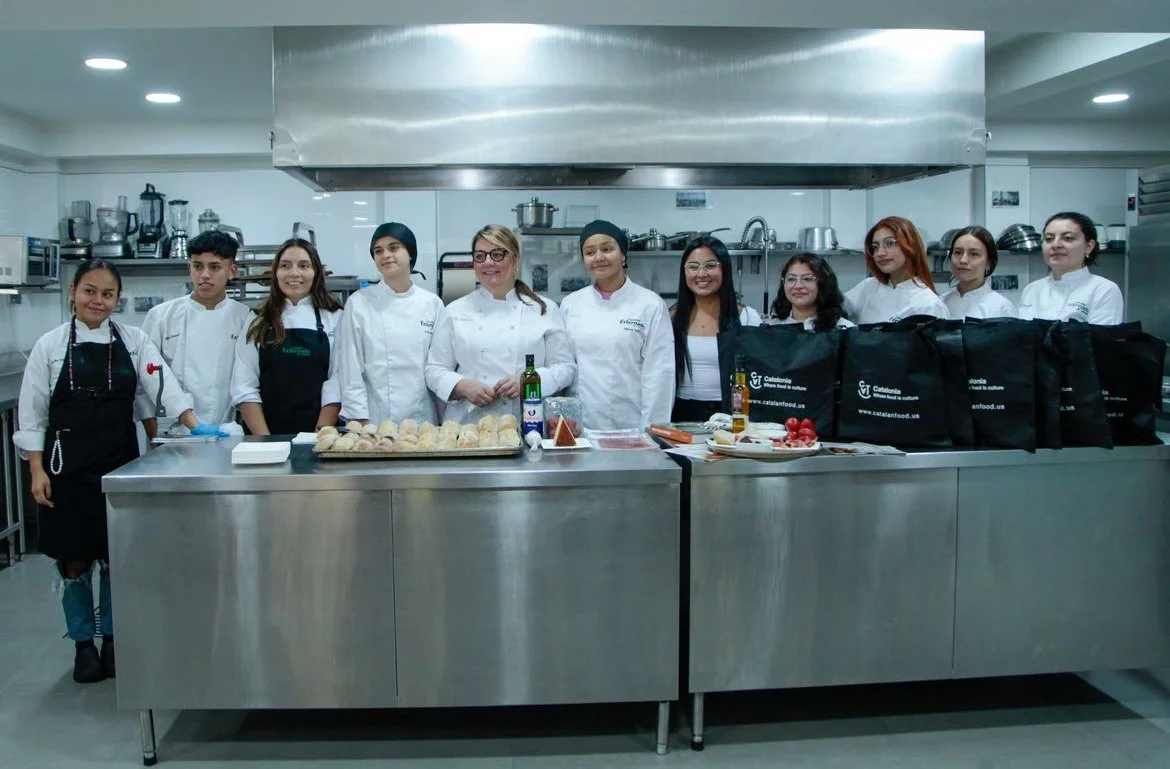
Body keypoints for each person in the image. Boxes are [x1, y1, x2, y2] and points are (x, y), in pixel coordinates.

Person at [13, 259, 197, 683]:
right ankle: (83, 645)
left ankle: (115, 640)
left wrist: (194, 424)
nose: (98, 300)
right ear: (73, 292)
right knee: (73, 562)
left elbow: (161, 382)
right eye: (90, 291)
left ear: (118, 299)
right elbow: (33, 412)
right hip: (65, 467)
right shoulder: (50, 346)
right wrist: (36, 470)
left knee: (117, 557)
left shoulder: (133, 341)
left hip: (119, 463)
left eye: (108, 294)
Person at [425, 224, 575, 425]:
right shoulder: (454, 311)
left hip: (527, 423)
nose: (487, 262)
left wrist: (529, 381)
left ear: (515, 259)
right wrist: (461, 385)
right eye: (480, 256)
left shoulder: (544, 309)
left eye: (497, 254)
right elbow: (435, 369)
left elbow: (565, 367)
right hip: (468, 427)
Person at [559, 220, 675, 429]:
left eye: (607, 249)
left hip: (632, 425)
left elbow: (659, 374)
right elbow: (565, 365)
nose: (599, 257)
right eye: (590, 252)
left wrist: (652, 431)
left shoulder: (650, 305)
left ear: (623, 255)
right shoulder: (571, 305)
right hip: (581, 426)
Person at [139, 230, 253, 438]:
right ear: (189, 268)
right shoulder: (161, 317)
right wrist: (154, 436)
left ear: (232, 270)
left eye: (215, 267)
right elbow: (144, 384)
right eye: (198, 266)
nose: (205, 275)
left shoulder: (245, 318)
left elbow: (248, 385)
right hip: (172, 438)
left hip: (227, 434)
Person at [231, 238, 344, 434]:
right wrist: (265, 442)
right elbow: (244, 387)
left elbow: (337, 383)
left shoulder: (335, 317)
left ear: (316, 272)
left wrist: (319, 438)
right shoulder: (257, 320)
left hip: (321, 434)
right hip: (264, 433)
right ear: (276, 273)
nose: (294, 273)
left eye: (304, 265)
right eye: (285, 265)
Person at [337, 222, 445, 426]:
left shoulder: (432, 304)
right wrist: (358, 420)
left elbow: (438, 367)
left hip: (423, 422)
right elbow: (350, 367)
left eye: (394, 248)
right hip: (374, 421)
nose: (385, 255)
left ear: (410, 253)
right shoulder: (359, 303)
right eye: (378, 251)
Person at [670, 235, 762, 423]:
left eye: (711, 266)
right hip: (679, 413)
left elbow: (759, 376)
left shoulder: (747, 317)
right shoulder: (670, 316)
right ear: (684, 271)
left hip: (729, 413)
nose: (701, 274)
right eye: (693, 267)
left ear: (725, 269)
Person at [1018, 211, 1123, 324]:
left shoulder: (1103, 290)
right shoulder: (1032, 289)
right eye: (1049, 239)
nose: (1055, 245)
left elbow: (1100, 340)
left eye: (1068, 238)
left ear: (1088, 246)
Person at [844, 215, 948, 324]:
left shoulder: (928, 304)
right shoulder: (868, 287)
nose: (880, 253)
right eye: (875, 247)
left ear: (911, 246)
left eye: (889, 243)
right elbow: (833, 308)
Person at [940, 226, 1017, 320]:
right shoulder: (941, 303)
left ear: (988, 263)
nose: (963, 260)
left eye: (974, 254)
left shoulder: (1001, 308)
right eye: (958, 252)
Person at [768, 252, 856, 331]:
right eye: (791, 279)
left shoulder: (844, 329)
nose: (798, 286)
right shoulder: (772, 328)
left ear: (824, 283)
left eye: (807, 279)